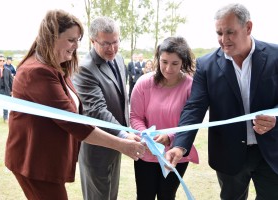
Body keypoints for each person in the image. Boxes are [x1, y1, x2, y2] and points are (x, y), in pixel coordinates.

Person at [4, 10, 145, 200]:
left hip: (47, 160)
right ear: (52, 37)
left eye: (78, 39)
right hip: (35, 161)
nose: (77, 45)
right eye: (71, 40)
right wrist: (122, 143)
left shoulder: (56, 66)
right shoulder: (37, 72)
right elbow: (74, 122)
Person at [165, 3, 278, 200]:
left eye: (230, 32)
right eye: (219, 33)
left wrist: (276, 118)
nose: (223, 40)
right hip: (229, 155)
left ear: (248, 27)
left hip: (270, 153)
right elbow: (195, 107)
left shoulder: (276, 56)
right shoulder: (206, 65)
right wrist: (180, 145)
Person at [72, 16, 137, 200]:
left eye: (115, 42)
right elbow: (97, 110)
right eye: (106, 44)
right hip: (97, 150)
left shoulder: (119, 59)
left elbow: (121, 99)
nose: (112, 48)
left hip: (117, 145)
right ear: (93, 41)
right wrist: (124, 135)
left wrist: (128, 130)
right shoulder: (84, 69)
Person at [130, 36, 199, 200]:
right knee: (144, 196)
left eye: (175, 63)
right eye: (164, 62)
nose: (168, 68)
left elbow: (192, 121)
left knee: (167, 196)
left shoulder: (191, 86)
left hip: (176, 154)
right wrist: (147, 136)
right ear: (158, 59)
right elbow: (135, 116)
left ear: (183, 62)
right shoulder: (143, 83)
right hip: (146, 152)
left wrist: (170, 138)